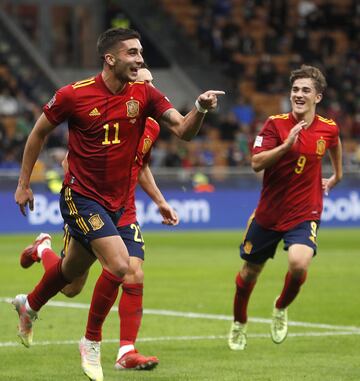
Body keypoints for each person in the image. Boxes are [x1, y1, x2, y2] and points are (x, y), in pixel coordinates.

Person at [13, 27, 224, 381]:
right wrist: (23, 184)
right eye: (132, 53)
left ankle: (31, 298)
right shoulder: (73, 95)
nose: (140, 60)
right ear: (110, 59)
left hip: (120, 203)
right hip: (82, 196)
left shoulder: (145, 95)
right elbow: (38, 133)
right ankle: (92, 342)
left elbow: (184, 130)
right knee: (121, 265)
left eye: (141, 53)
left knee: (70, 280)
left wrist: (200, 109)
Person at [19, 67, 177, 371]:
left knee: (133, 272)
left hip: (124, 208)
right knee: (72, 285)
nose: (147, 91)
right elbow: (69, 159)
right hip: (89, 202)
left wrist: (160, 201)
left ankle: (125, 352)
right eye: (144, 84)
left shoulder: (152, 127)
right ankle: (43, 251)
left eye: (150, 85)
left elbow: (140, 165)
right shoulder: (98, 107)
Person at [228, 65, 342, 351]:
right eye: (295, 90)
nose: (299, 95)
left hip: (305, 212)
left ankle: (280, 308)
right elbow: (256, 163)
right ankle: (239, 323)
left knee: (299, 263)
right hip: (269, 214)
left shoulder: (328, 128)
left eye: (305, 90)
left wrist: (338, 175)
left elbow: (335, 143)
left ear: (318, 97)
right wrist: (286, 145)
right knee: (248, 273)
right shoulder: (274, 124)